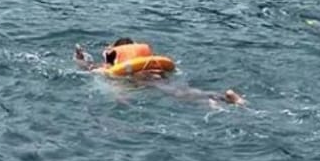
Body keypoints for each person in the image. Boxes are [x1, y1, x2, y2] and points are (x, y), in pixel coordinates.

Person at [73, 38, 245, 106]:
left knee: (177, 94)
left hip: (143, 80)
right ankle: (223, 97)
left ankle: (215, 101)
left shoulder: (112, 67)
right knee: (181, 90)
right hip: (161, 75)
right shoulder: (150, 60)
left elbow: (88, 68)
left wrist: (79, 58)